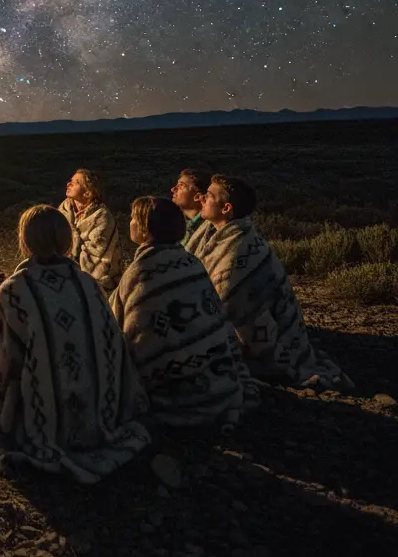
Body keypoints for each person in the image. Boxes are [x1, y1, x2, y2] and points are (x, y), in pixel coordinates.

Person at [0, 205, 150, 483]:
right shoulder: (89, 284)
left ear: (25, 242)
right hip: (95, 407)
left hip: (39, 413)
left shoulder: (15, 290)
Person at [187, 175, 351, 391]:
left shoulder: (239, 250)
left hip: (260, 343)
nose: (201, 199)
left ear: (226, 208)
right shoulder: (214, 235)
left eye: (208, 196)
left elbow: (221, 304)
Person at [111, 196, 258, 430]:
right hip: (219, 383)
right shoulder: (191, 262)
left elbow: (119, 329)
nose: (128, 223)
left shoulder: (141, 272)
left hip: (171, 393)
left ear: (144, 229)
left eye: (132, 219)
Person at [58, 168, 124, 295]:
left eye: (75, 182)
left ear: (87, 193)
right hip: (67, 276)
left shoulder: (102, 218)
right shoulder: (64, 209)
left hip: (99, 284)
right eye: (70, 181)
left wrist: (69, 250)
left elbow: (96, 259)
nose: (68, 184)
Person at [170, 168, 211, 241]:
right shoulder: (172, 224)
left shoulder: (210, 231)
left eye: (181, 185)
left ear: (198, 196)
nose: (173, 189)